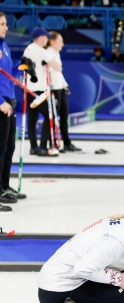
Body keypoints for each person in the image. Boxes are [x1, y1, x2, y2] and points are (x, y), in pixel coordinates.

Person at [0, 12, 22, 210]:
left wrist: (21, 67)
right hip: (1, 103)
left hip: (9, 100)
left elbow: (8, 76)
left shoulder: (4, 46)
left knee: (8, 148)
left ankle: (4, 186)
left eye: (5, 23)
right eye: (2, 24)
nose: (6, 27)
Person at [23, 27, 57, 157]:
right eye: (46, 37)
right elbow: (58, 67)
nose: (47, 39)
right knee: (50, 118)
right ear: (41, 37)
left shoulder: (28, 49)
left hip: (28, 88)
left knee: (32, 119)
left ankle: (33, 147)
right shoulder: (41, 51)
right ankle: (43, 146)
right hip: (40, 90)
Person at [45, 31, 80, 153]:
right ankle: (53, 142)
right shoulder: (48, 53)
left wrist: (65, 85)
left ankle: (67, 142)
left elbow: (58, 72)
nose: (63, 44)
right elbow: (50, 72)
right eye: (60, 41)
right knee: (53, 117)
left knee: (64, 116)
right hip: (53, 89)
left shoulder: (56, 53)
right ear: (52, 41)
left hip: (60, 88)